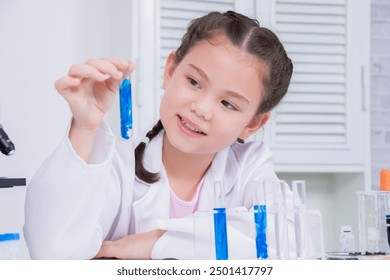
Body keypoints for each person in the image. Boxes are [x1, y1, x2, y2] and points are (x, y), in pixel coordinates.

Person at [23, 10, 293, 260]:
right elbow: (52, 253)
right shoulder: (118, 166)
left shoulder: (251, 168)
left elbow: (284, 241)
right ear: (170, 71)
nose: (201, 108)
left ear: (253, 124)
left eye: (228, 104)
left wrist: (159, 242)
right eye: (194, 82)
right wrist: (84, 128)